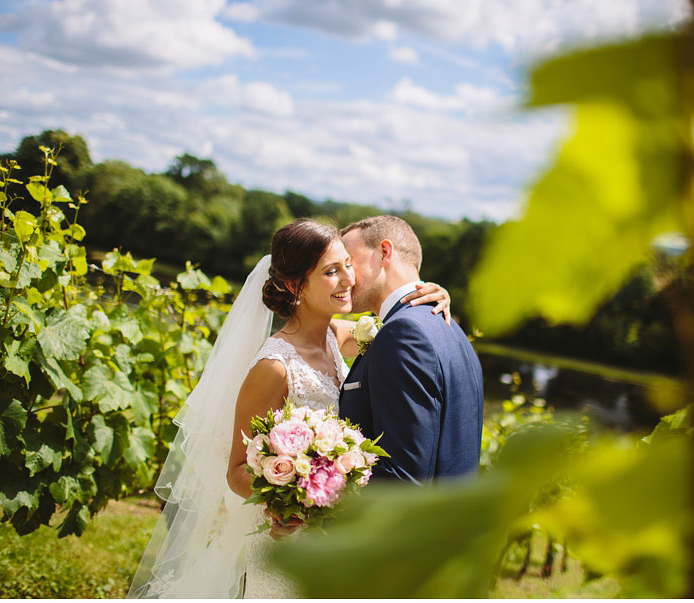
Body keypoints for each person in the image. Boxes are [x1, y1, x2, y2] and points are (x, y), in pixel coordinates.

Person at [127, 218, 452, 599]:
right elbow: (235, 470)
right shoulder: (273, 366)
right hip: (286, 538)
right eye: (332, 271)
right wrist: (294, 500)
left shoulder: (338, 336)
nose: (349, 278)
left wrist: (433, 293)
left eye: (348, 264)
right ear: (296, 286)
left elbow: (399, 329)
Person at [339, 215, 484, 483]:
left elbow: (401, 480)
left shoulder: (403, 333)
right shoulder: (452, 329)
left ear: (384, 252)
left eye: (348, 261)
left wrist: (319, 498)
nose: (343, 275)